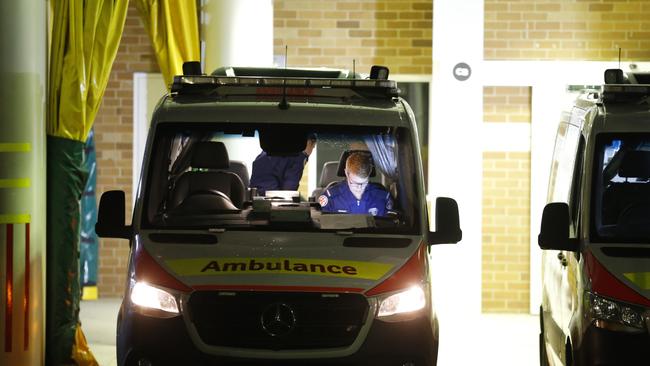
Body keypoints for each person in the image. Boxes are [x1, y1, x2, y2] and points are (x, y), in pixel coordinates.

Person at [319, 151, 393, 216]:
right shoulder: (330, 198)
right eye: (354, 183)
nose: (359, 188)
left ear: (369, 174)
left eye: (364, 183)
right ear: (346, 173)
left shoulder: (382, 197)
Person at [250, 135, 317, 195]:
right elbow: (289, 190)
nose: (311, 152)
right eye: (313, 147)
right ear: (309, 143)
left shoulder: (267, 151)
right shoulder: (298, 157)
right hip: (272, 199)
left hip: (254, 197)